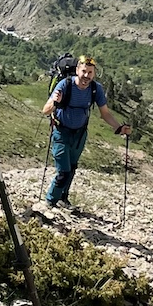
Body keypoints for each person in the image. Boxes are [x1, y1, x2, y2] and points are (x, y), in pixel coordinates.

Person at [41, 55, 129, 208]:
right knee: (63, 172)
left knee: (72, 168)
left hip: (80, 134)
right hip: (61, 132)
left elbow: (105, 113)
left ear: (94, 74)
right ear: (77, 71)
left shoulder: (96, 89)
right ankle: (50, 202)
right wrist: (55, 101)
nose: (86, 76)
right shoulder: (65, 85)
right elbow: (45, 110)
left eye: (90, 72)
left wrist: (118, 128)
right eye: (83, 71)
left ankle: (63, 198)